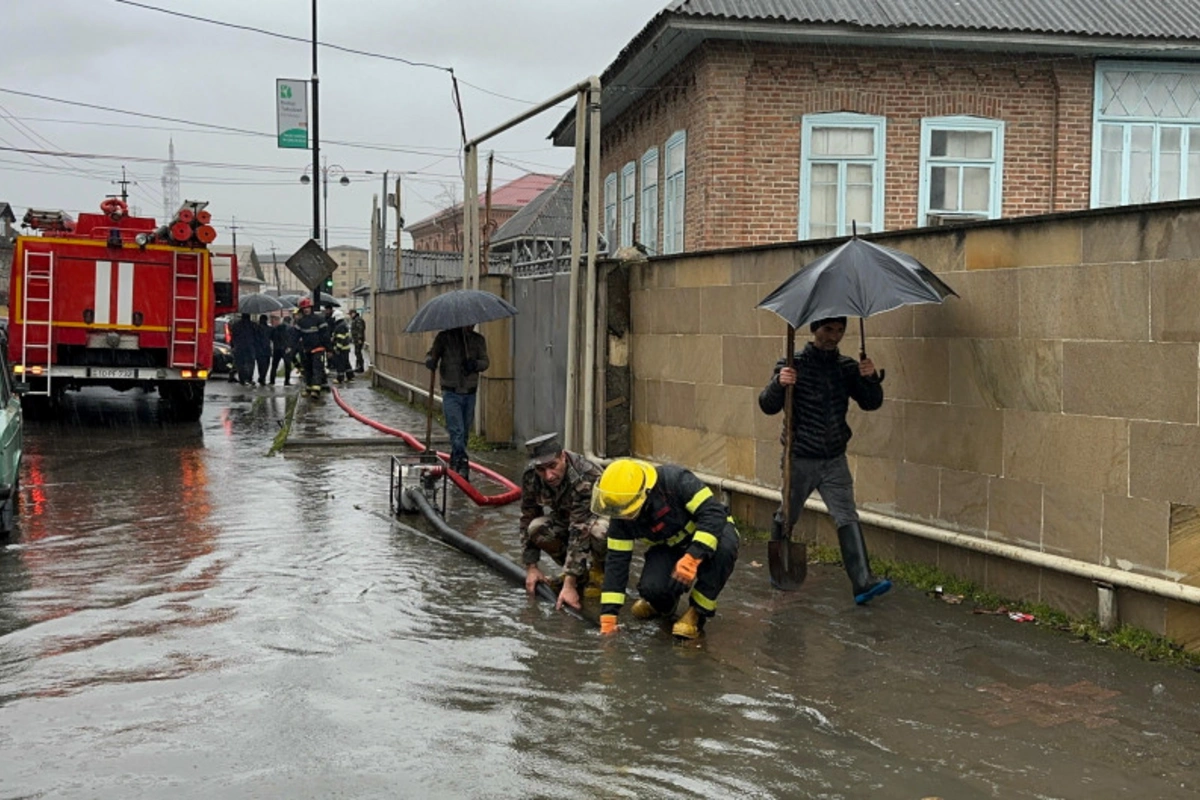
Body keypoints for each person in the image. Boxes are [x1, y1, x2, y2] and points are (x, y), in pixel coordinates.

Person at [758, 315, 891, 605]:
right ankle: (780, 568)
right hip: (800, 458)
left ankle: (862, 581)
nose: (834, 336)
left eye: (840, 330)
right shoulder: (793, 364)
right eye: (828, 329)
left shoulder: (845, 368)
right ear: (815, 330)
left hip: (834, 459)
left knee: (846, 515)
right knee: (788, 515)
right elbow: (767, 405)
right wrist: (780, 384)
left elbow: (871, 402)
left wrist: (869, 378)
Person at [591, 458, 740, 640]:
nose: (625, 518)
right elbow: (616, 563)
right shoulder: (621, 512)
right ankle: (662, 605)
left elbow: (713, 514)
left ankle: (697, 613)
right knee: (652, 588)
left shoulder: (675, 480)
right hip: (669, 546)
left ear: (644, 495)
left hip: (710, 531)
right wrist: (608, 617)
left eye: (629, 512)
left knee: (724, 549)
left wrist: (693, 557)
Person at [518, 433, 608, 611]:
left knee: (598, 531)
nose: (549, 476)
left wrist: (569, 584)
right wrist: (531, 566)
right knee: (536, 528)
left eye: (553, 466)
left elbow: (580, 528)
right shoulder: (531, 476)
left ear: (563, 457)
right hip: (566, 519)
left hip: (597, 521)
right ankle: (581, 575)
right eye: (541, 470)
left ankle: (600, 571)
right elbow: (528, 515)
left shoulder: (587, 475)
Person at [424, 325, 489, 479]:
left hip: (470, 391)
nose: (470, 325)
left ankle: (456, 459)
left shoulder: (478, 340)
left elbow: (485, 362)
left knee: (465, 431)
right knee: (457, 430)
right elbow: (431, 355)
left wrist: (474, 365)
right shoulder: (444, 338)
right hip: (451, 391)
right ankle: (462, 461)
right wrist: (430, 361)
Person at [294, 297, 330, 398]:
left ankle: (316, 390)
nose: (306, 309)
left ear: (311, 308)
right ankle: (309, 388)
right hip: (306, 350)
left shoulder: (319, 319)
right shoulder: (301, 322)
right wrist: (291, 347)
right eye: (304, 308)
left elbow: (325, 335)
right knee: (308, 369)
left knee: (317, 369)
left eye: (308, 307)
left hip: (318, 348)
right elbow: (295, 336)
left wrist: (329, 349)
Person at [229, 312, 257, 386]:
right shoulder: (253, 325)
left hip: (239, 346)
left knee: (240, 363)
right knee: (250, 363)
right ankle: (249, 378)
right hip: (250, 346)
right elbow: (256, 336)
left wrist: (232, 346)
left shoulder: (236, 325)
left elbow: (233, 336)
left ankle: (242, 379)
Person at [329, 308, 354, 384]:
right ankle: (350, 376)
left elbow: (340, 339)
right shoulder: (343, 325)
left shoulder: (340, 326)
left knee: (340, 364)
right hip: (345, 348)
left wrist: (337, 348)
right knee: (346, 363)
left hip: (342, 349)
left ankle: (340, 378)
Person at [269, 316, 292, 386]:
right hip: (285, 349)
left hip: (277, 349)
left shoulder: (274, 329)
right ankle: (287, 381)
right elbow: (290, 338)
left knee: (274, 366)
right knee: (287, 365)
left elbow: (272, 338)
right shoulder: (289, 328)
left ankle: (272, 381)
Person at [253, 314, 273, 386]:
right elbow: (272, 338)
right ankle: (262, 377)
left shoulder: (256, 328)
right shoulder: (269, 329)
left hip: (258, 349)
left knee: (260, 364)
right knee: (266, 364)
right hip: (266, 349)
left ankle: (261, 377)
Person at [349, 309, 367, 373]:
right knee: (357, 353)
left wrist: (359, 339)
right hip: (356, 339)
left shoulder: (358, 320)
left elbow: (360, 330)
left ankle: (360, 367)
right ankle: (358, 366)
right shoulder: (355, 320)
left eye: (350, 314)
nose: (350, 316)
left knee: (358, 353)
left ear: (353, 313)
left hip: (358, 339)